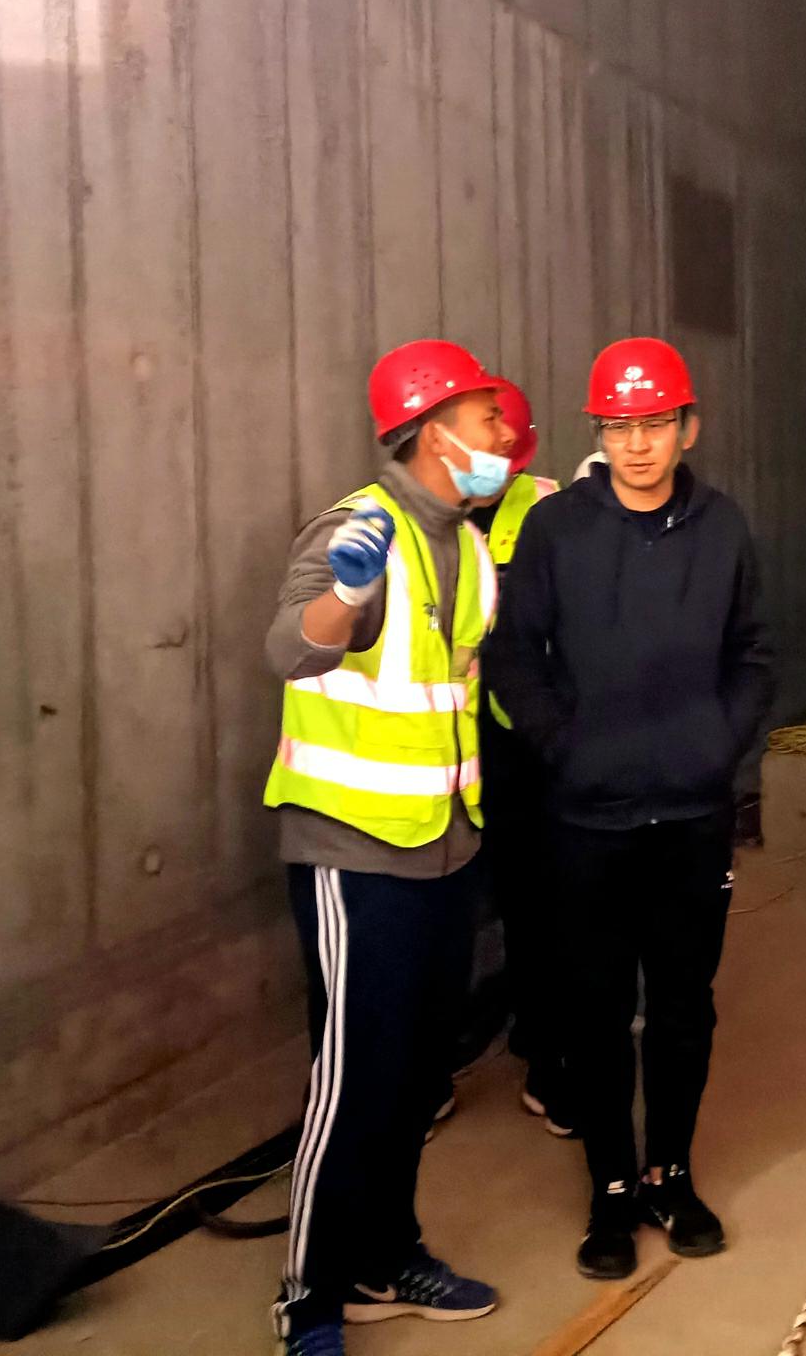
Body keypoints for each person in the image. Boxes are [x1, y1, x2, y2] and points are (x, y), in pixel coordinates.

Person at [497, 337, 775, 1281]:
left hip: (692, 817)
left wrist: (716, 745)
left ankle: (673, 1173)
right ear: (599, 434)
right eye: (618, 427)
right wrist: (564, 747)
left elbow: (753, 655)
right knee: (597, 1008)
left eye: (655, 424)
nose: (637, 445)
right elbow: (513, 657)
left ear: (687, 427)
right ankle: (611, 1186)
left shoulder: (723, 528)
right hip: (588, 822)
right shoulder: (557, 530)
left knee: (685, 1004)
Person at [263, 339, 518, 1355]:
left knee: (416, 1075)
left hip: (443, 846)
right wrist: (347, 595)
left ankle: (385, 1257)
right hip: (353, 851)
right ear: (435, 433)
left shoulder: (466, 541)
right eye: (487, 417)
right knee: (354, 1079)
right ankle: (309, 1301)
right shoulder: (357, 530)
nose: (503, 433)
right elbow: (292, 647)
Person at [466, 379, 572, 1137]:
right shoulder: (416, 518)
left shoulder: (549, 509)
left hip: (523, 744)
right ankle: (429, 1065)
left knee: (539, 907)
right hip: (436, 749)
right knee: (444, 915)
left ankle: (546, 1049)